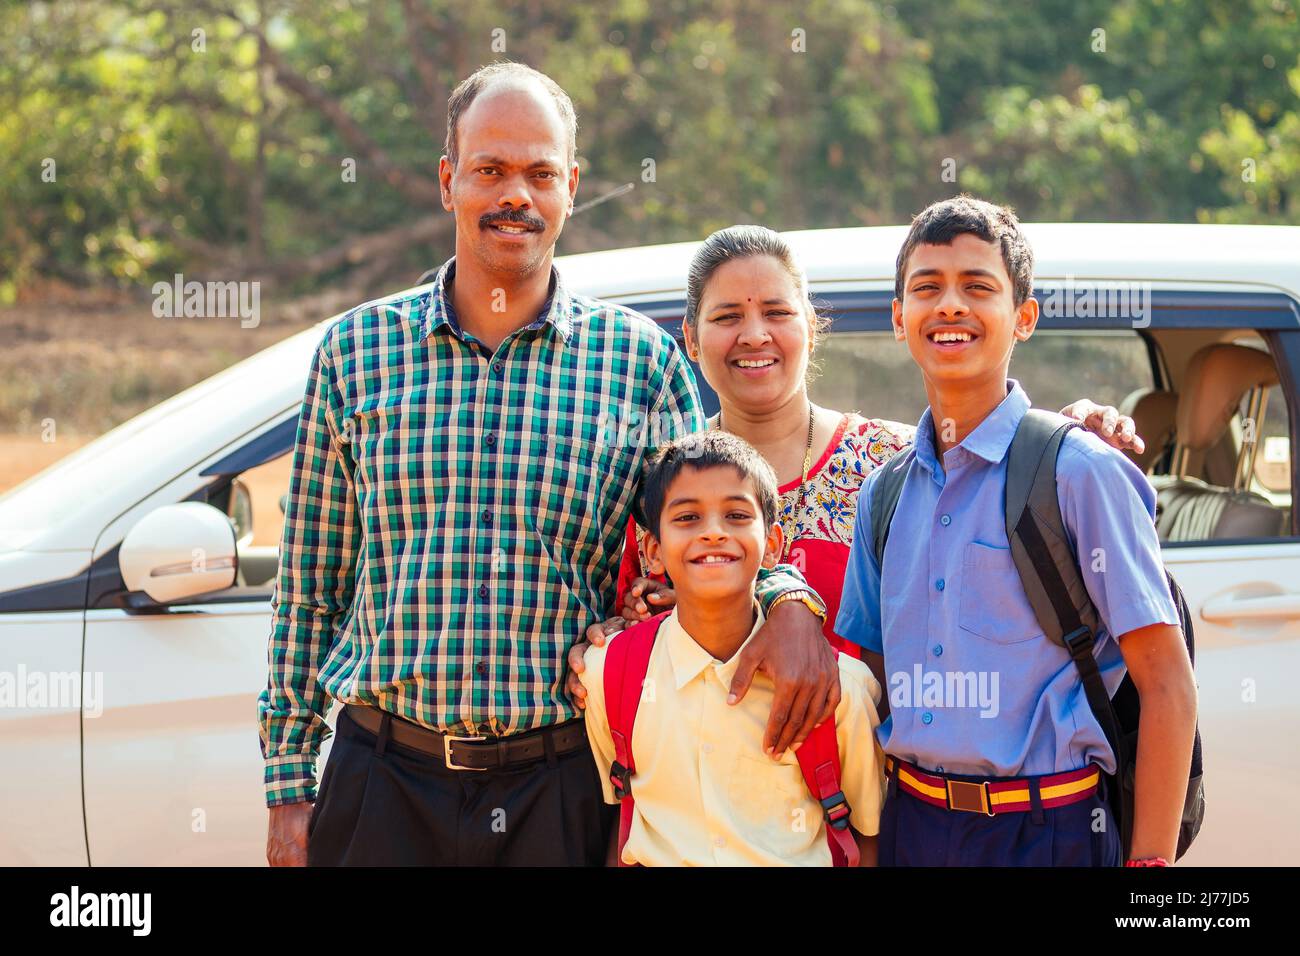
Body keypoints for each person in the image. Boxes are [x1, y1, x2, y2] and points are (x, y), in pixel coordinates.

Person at [257, 62, 833, 867]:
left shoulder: (637, 363)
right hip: (382, 781)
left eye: (538, 173)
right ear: (449, 180)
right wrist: (289, 784)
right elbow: (310, 586)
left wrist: (788, 598)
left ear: (570, 186)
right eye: (489, 170)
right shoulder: (356, 354)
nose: (513, 196)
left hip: (562, 790)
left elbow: (710, 525)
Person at [568, 226, 1146, 701]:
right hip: (719, 806)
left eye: (776, 311)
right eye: (725, 318)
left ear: (811, 330)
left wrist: (1074, 433)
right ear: (691, 340)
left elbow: (1001, 460)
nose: (754, 335)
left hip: (877, 800)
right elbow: (635, 637)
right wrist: (604, 648)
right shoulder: (666, 484)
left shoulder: (892, 463)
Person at [835, 195, 1198, 866]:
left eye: (978, 287)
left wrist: (1150, 865)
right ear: (898, 317)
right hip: (916, 826)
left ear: (1023, 317)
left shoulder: (1078, 470)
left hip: (1050, 829)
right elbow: (873, 680)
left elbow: (1167, 682)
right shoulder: (884, 494)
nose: (949, 306)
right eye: (927, 289)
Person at [580, 431, 884, 866]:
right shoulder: (609, 674)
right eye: (687, 518)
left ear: (773, 546)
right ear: (652, 551)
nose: (714, 533)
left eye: (737, 515)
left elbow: (867, 834)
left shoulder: (839, 693)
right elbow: (625, 810)